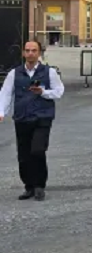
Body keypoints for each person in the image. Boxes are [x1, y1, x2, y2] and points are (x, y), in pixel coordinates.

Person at [0, 40, 65, 201]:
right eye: (27, 50)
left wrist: (43, 92)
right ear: (23, 53)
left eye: (33, 50)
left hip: (42, 117)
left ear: (39, 53)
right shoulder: (14, 73)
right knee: (23, 154)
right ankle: (28, 186)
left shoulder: (49, 72)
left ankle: (39, 185)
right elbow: (6, 93)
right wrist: (2, 111)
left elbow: (59, 91)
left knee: (37, 150)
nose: (30, 54)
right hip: (22, 117)